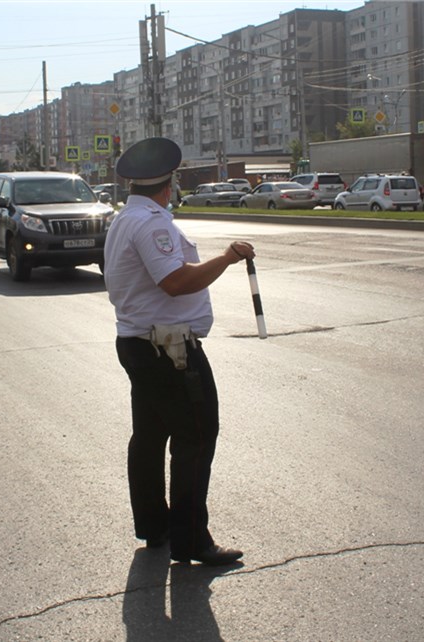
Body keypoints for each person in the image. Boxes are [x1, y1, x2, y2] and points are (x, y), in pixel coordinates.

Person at [103, 137, 254, 566]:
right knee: (196, 436)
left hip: (139, 342)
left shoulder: (125, 218)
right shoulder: (152, 223)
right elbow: (175, 281)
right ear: (169, 184)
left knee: (150, 436)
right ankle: (190, 540)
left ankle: (156, 527)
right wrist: (226, 258)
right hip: (168, 348)